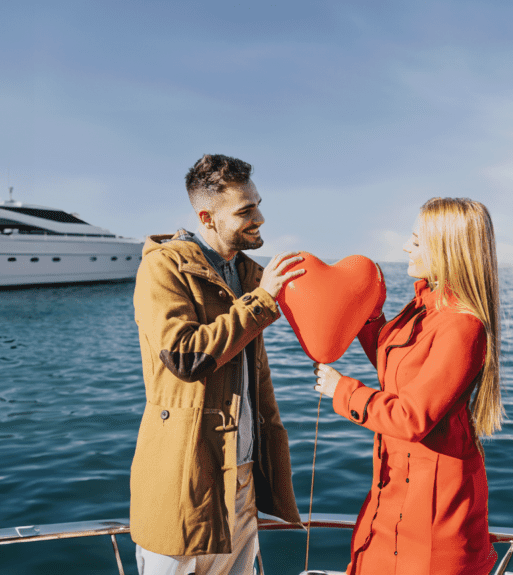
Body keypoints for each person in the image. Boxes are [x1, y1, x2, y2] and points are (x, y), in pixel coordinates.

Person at [131, 154, 304, 575]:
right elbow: (185, 356)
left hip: (241, 475)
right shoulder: (164, 266)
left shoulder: (248, 272)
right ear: (207, 217)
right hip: (185, 477)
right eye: (246, 210)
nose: (259, 217)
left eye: (258, 204)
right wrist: (263, 300)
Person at [313, 197, 503, 575]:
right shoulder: (423, 307)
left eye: (416, 240)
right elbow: (397, 367)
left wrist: (343, 391)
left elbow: (413, 417)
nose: (405, 247)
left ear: (446, 248)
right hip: (395, 485)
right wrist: (368, 315)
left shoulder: (462, 326)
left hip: (434, 508)